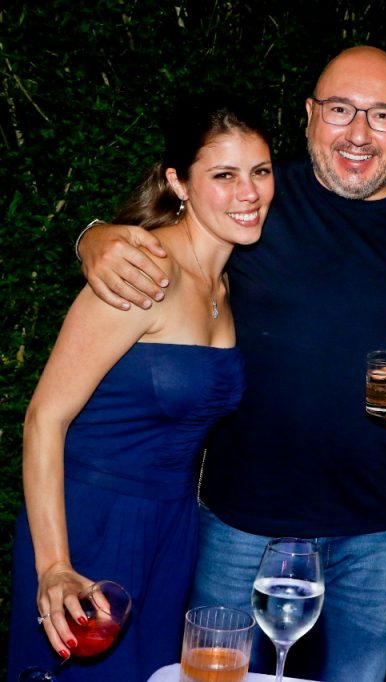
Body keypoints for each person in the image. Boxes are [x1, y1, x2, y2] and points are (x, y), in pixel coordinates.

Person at [75, 46, 386, 681]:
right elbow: (168, 228)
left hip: (374, 530)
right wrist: (92, 237)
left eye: (382, 115)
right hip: (241, 523)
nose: (359, 133)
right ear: (310, 115)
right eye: (340, 110)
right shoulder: (257, 194)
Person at [6, 94, 274, 681]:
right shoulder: (141, 271)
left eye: (260, 171)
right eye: (224, 175)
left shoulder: (226, 284)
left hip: (173, 529)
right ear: (179, 182)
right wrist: (53, 565)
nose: (248, 193)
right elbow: (44, 417)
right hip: (89, 524)